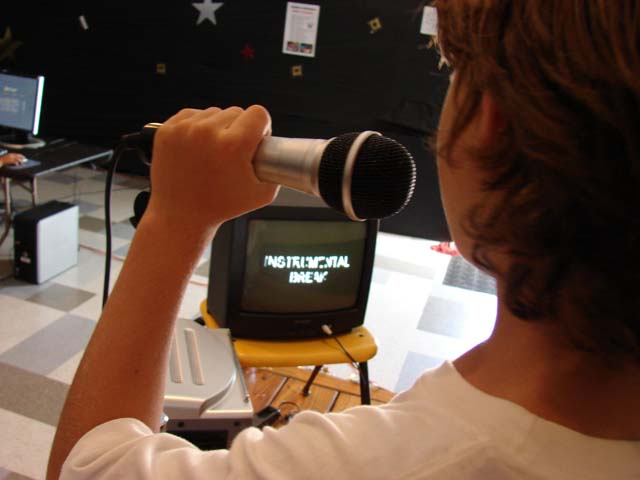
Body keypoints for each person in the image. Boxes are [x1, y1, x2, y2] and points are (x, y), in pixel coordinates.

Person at [47, 1, 640, 478]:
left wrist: (173, 219)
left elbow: (87, 463)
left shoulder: (388, 463)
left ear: (490, 122)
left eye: (455, 76)